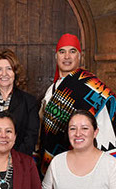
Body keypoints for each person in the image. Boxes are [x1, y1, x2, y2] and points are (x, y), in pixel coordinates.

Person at [39, 33, 116, 176]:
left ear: (79, 56)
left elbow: (105, 130)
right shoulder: (50, 91)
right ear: (56, 57)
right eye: (62, 52)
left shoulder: (91, 85)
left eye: (72, 51)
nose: (67, 56)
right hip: (58, 163)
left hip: (89, 165)